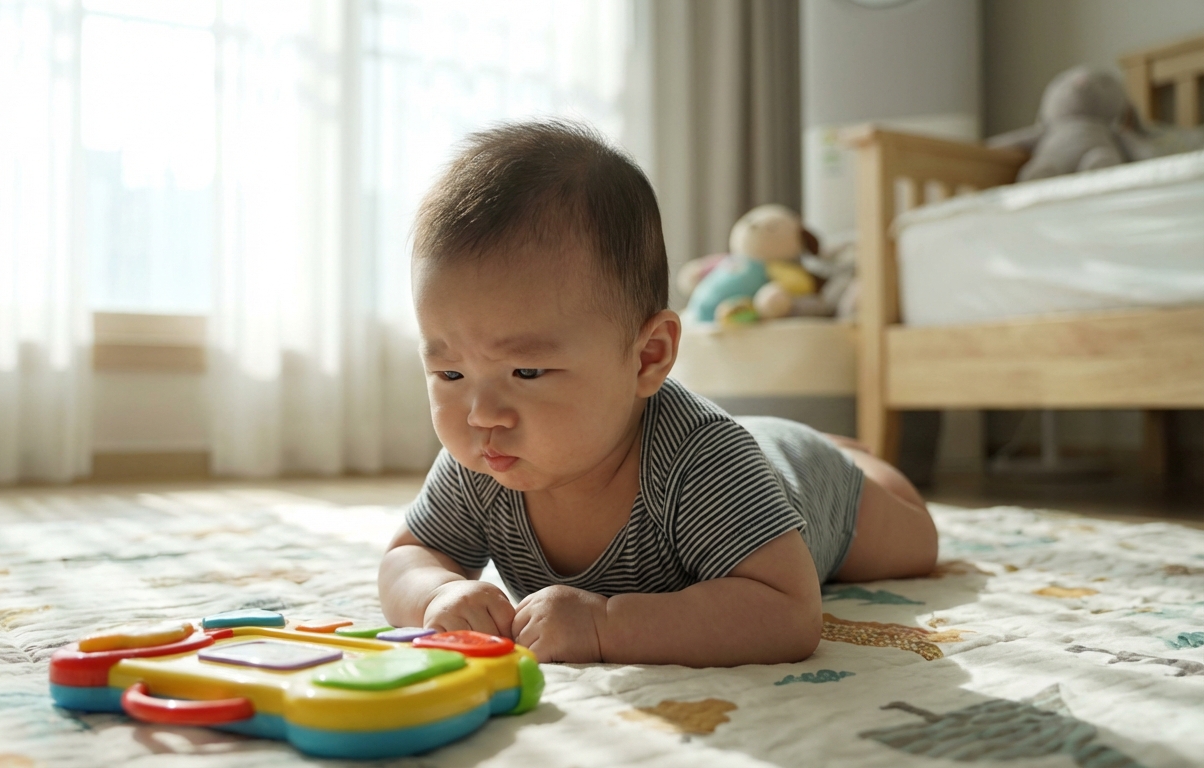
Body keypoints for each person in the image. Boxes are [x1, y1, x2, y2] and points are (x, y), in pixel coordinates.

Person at [378, 121, 937, 667]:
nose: (482, 415)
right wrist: (435, 595)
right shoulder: (480, 461)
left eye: (526, 372)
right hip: (756, 448)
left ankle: (854, 458)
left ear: (648, 357)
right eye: (449, 375)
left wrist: (607, 624)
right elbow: (409, 554)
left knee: (918, 546)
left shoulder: (701, 464)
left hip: (809, 481)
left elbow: (788, 612)